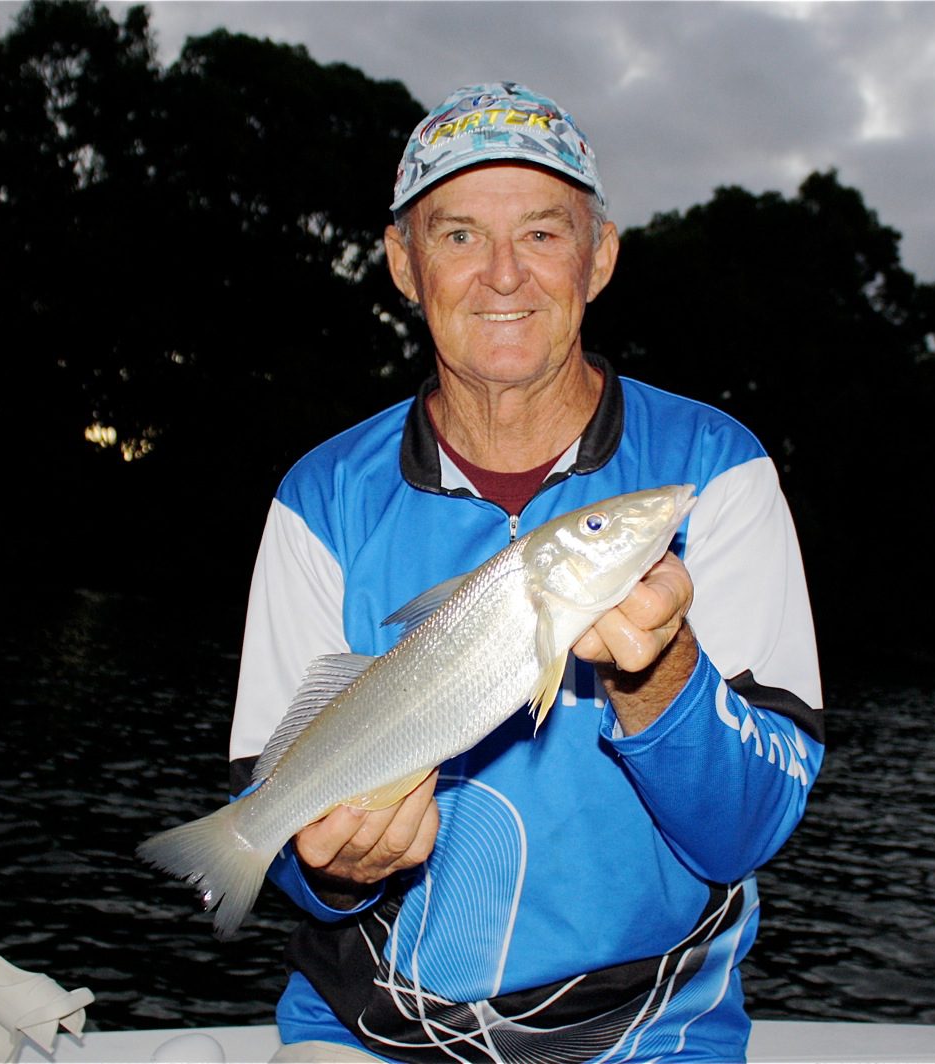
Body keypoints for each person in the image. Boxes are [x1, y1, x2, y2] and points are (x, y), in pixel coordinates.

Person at [229, 82, 825, 1063]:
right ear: (402, 263)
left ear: (600, 255)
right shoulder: (318, 497)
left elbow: (749, 834)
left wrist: (661, 673)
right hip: (368, 1033)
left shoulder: (717, 470)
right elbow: (281, 815)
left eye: (543, 233)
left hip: (654, 1037)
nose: (502, 276)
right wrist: (332, 868)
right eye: (458, 234)